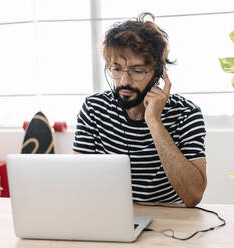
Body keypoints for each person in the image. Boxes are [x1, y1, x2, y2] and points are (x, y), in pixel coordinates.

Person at [73, 13, 206, 207]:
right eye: (117, 69)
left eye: (137, 70)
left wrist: (154, 122)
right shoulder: (94, 109)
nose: (125, 82)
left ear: (158, 73)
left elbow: (193, 196)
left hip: (169, 222)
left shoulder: (186, 114)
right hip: (109, 217)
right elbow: (78, 182)